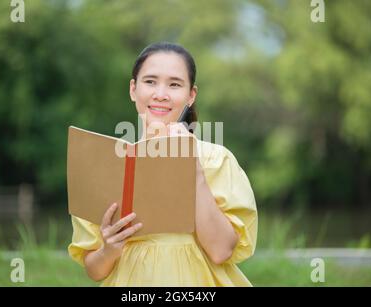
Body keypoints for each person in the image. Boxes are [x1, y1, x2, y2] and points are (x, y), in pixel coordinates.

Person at [68, 42, 258, 286]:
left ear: (191, 95)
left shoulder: (216, 160)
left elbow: (221, 251)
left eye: (175, 84)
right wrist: (109, 249)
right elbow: (94, 271)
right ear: (133, 89)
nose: (161, 94)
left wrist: (193, 169)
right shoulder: (106, 164)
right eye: (150, 82)